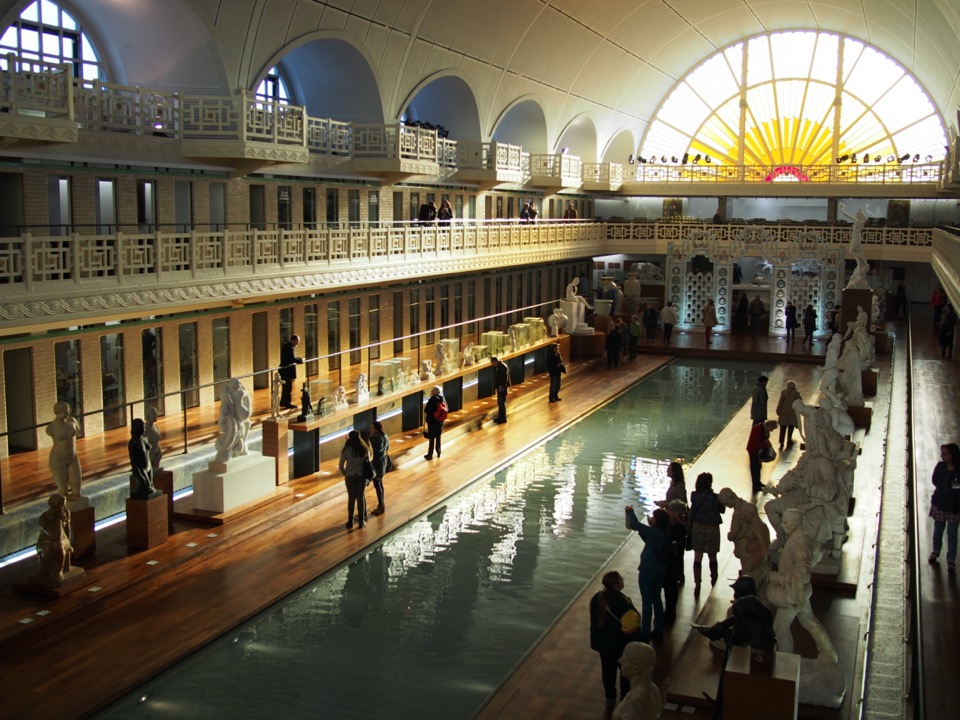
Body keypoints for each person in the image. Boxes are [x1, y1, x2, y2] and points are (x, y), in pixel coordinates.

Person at [766, 508, 838, 662]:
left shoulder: (799, 546)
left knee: (780, 629)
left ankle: (786, 665)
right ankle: (829, 654)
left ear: (794, 524)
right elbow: (818, 550)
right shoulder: (803, 538)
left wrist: (779, 578)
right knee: (809, 620)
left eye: (785, 522)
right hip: (800, 592)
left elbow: (804, 575)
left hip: (794, 592)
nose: (782, 525)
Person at [589, 570, 640, 709]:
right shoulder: (622, 601)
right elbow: (630, 626)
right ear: (617, 584)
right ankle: (625, 699)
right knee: (625, 672)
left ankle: (610, 698)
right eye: (621, 579)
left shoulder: (596, 598)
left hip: (602, 644)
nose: (623, 580)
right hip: (619, 645)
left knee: (607, 671)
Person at [624, 505, 670, 640]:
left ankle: (645, 631)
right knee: (657, 599)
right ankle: (659, 629)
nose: (652, 519)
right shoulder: (665, 533)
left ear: (657, 521)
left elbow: (636, 524)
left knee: (646, 601)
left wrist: (630, 511)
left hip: (648, 571)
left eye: (653, 518)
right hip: (660, 570)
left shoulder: (654, 533)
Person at [687, 472, 725, 593]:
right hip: (712, 528)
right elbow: (722, 510)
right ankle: (714, 579)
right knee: (712, 556)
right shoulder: (715, 497)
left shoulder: (694, 496)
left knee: (697, 556)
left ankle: (697, 584)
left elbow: (692, 512)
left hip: (697, 527)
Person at [928, 443, 960, 574]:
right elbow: (935, 480)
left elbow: (957, 489)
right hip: (941, 503)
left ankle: (951, 559)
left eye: (945, 453)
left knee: (952, 534)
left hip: (953, 506)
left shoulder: (958, 470)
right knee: (938, 529)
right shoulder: (940, 466)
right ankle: (936, 551)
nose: (942, 455)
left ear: (952, 456)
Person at [46, 401, 82, 501]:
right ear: (58, 412)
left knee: (76, 489)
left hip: (73, 457)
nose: (67, 414)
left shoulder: (73, 421)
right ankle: (63, 512)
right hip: (58, 459)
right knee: (63, 491)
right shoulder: (51, 427)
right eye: (64, 412)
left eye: (68, 412)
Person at [34, 493, 73, 586]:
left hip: (61, 540)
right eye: (61, 505)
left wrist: (69, 543)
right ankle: (47, 572)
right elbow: (53, 535)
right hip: (46, 541)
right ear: (54, 505)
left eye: (64, 505)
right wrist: (58, 520)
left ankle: (58, 571)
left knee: (59, 546)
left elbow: (66, 531)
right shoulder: (44, 518)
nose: (63, 507)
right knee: (52, 548)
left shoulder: (66, 513)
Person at [338, 430, 372, 530]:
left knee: (351, 499)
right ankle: (361, 522)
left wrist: (345, 473)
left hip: (350, 476)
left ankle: (350, 521)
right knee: (360, 498)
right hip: (361, 476)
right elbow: (368, 462)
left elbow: (340, 466)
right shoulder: (364, 449)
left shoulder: (346, 450)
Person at [662, 499, 688, 623]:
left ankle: (670, 613)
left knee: (670, 588)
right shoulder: (679, 524)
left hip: (673, 561)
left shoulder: (678, 526)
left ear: (677, 512)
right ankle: (669, 611)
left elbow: (670, 539)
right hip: (675, 560)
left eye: (670, 510)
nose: (668, 511)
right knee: (670, 588)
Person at [128, 418, 157, 499]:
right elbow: (133, 461)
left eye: (144, 427)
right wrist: (139, 474)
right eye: (142, 428)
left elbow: (148, 447)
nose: (144, 429)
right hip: (141, 468)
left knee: (150, 486)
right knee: (146, 486)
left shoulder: (144, 439)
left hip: (148, 464)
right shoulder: (133, 443)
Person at [746, 420, 778, 494]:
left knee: (758, 467)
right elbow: (758, 442)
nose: (772, 431)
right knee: (755, 468)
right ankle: (756, 486)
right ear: (769, 426)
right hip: (754, 450)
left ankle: (758, 482)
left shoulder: (762, 428)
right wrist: (766, 445)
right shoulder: (758, 429)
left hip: (758, 451)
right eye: (772, 429)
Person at [369, 420, 390, 516]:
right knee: (379, 483)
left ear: (376, 429)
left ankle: (380, 504)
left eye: (372, 428)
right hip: (383, 462)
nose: (370, 429)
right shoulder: (385, 436)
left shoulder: (374, 439)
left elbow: (373, 451)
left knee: (377, 484)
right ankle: (381, 503)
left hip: (377, 463)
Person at [279, 334, 303, 410]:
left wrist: (299, 359)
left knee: (285, 387)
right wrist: (300, 360)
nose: (297, 344)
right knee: (288, 388)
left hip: (284, 371)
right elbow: (292, 359)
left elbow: (291, 358)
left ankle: (283, 402)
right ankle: (287, 403)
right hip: (287, 371)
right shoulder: (290, 348)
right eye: (297, 342)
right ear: (294, 340)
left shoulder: (286, 347)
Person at [775, 381, 801, 448]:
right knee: (790, 428)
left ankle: (781, 442)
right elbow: (800, 402)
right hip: (792, 413)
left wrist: (778, 410)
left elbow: (780, 402)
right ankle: (789, 441)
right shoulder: (796, 393)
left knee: (782, 429)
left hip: (783, 413)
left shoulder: (783, 392)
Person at [423, 385, 446, 459]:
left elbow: (426, 410)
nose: (431, 391)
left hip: (432, 421)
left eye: (433, 390)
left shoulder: (432, 400)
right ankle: (438, 452)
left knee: (432, 438)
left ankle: (430, 454)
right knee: (438, 437)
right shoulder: (442, 399)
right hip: (440, 421)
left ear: (436, 392)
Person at [491, 356, 510, 424]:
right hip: (500, 387)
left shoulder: (502, 367)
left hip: (502, 387)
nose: (492, 364)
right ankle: (500, 417)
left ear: (495, 361)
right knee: (500, 402)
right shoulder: (499, 366)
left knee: (502, 403)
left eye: (492, 363)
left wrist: (503, 387)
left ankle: (503, 418)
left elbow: (505, 378)